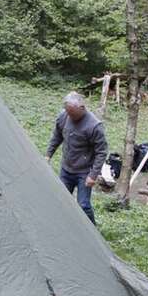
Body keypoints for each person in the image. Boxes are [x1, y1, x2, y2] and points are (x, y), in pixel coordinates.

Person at [45, 91, 109, 225]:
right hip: (66, 169)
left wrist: (93, 174)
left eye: (73, 113)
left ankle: (92, 231)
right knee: (61, 200)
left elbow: (101, 152)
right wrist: (48, 155)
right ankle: (63, 226)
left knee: (83, 205)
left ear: (82, 108)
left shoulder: (94, 126)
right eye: (68, 112)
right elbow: (57, 136)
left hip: (84, 172)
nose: (70, 116)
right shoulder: (64, 116)